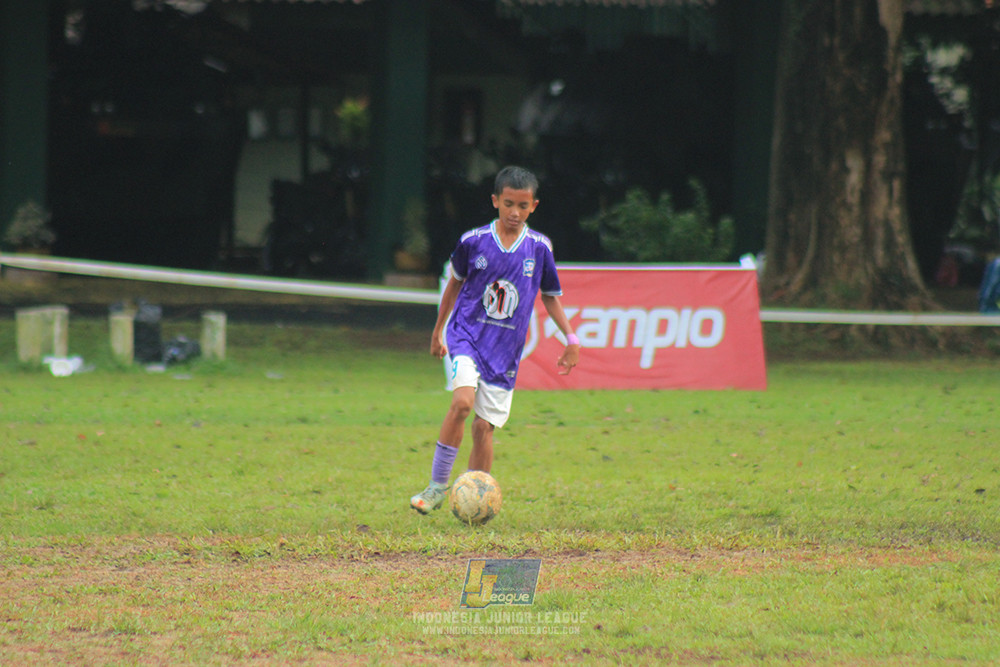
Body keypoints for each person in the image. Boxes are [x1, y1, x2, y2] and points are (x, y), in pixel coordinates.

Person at [410, 165, 581, 514]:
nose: (514, 213)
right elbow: (453, 285)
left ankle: (477, 501)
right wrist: (438, 330)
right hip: (466, 337)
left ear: (533, 206)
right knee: (461, 404)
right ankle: (436, 487)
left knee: (483, 427)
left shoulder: (539, 248)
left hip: (504, 352)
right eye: (508, 204)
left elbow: (550, 295)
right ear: (494, 202)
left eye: (522, 205)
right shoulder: (473, 241)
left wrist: (571, 338)